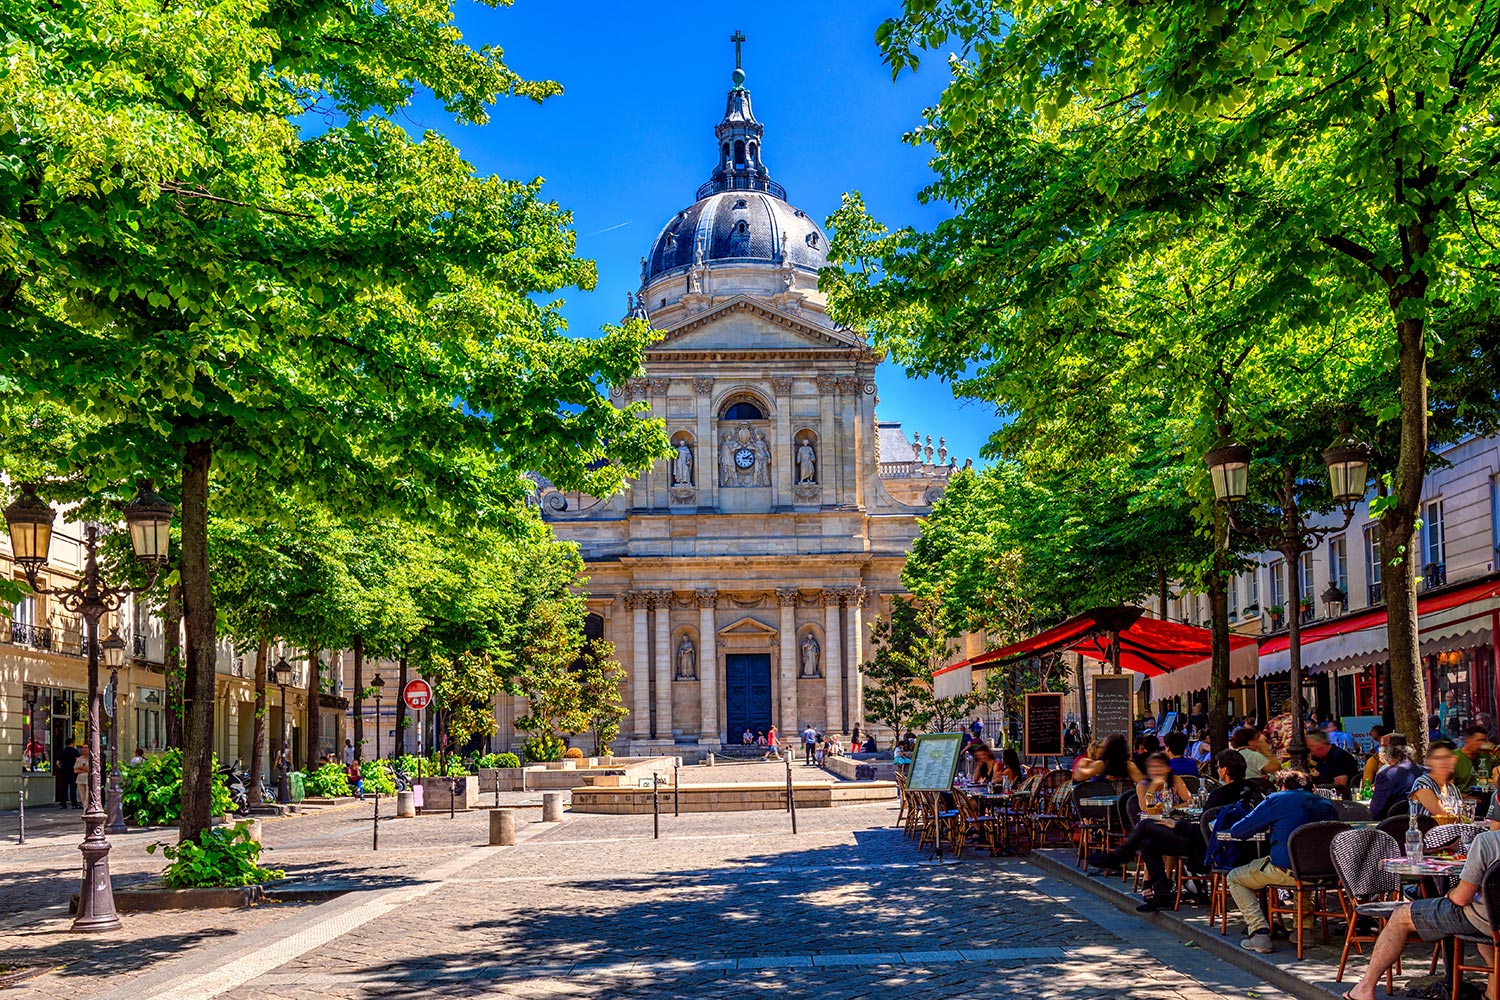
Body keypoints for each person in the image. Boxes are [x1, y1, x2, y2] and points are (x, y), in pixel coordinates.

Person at [1342, 828, 1500, 1000]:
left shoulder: (1487, 842)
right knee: (1489, 937)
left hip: (1484, 919)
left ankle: (1364, 988)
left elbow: (1461, 898)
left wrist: (1449, 894)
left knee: (1400, 916)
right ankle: (1492, 993)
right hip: (1493, 925)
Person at [1226, 769, 1339, 953]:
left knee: (1235, 878)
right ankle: (1304, 930)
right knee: (1304, 871)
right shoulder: (1327, 804)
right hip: (1324, 872)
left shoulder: (1277, 799)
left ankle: (1259, 933)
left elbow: (1238, 831)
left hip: (1287, 870)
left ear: (1282, 786)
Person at [1086, 752, 1194, 910]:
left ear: (1167, 768)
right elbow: (1145, 808)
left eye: (1159, 767)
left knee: (1145, 827)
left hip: (1178, 829)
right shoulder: (1143, 785)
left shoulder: (1175, 781)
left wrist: (1171, 809)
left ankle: (1119, 858)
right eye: (1152, 767)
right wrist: (1153, 787)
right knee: (1146, 841)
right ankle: (1162, 895)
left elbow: (1190, 801)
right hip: (1157, 828)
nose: (1156, 770)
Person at [1368, 737, 1423, 821]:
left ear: (1387, 754)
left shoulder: (1386, 775)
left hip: (1393, 827)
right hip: (1424, 824)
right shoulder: (1425, 771)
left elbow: (1375, 811)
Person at [1410, 742, 1466, 821]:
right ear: (1429, 762)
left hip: (1452, 832)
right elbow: (1443, 815)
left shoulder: (1453, 788)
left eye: (1447, 757)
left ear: (1453, 760)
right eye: (1438, 758)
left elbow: (1463, 818)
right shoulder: (1423, 783)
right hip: (1426, 832)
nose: (1443, 762)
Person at [1455, 723, 1490, 790]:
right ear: (1467, 740)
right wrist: (1464, 796)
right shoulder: (1454, 758)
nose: (1483, 744)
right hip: (1463, 798)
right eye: (1480, 740)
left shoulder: (1487, 756)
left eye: (1485, 740)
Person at [54, 737, 81, 808]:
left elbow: (58, 762)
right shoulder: (75, 751)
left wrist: (62, 767)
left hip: (64, 771)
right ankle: (74, 804)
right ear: (72, 743)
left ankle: (63, 803)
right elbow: (78, 760)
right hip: (73, 771)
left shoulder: (63, 751)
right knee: (73, 788)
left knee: (64, 787)